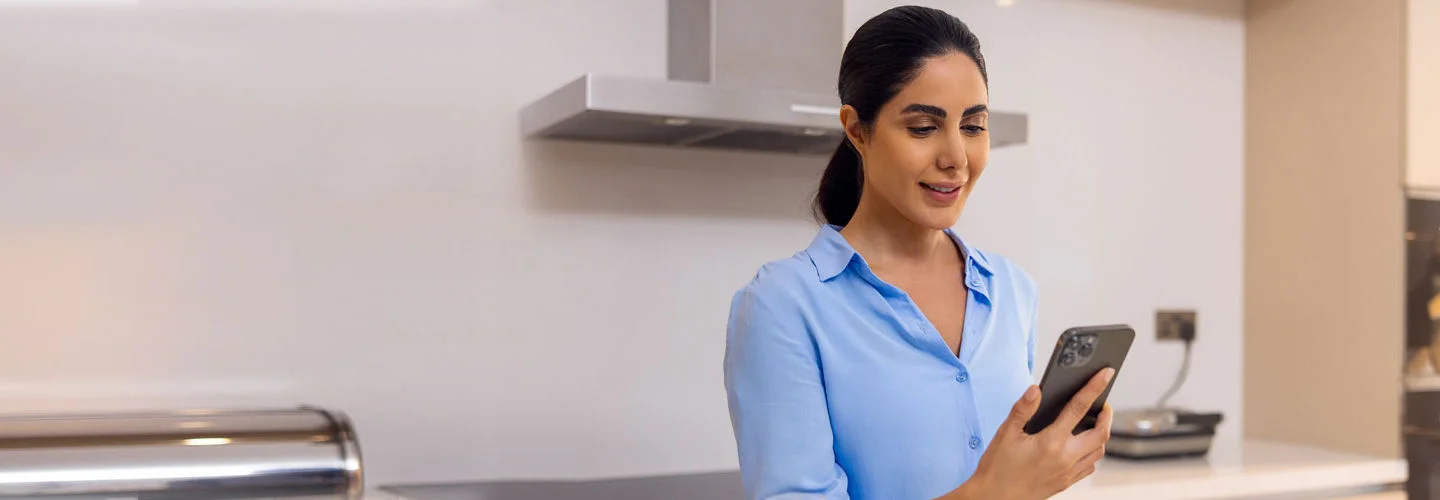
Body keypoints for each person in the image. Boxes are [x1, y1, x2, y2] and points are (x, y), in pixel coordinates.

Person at [722, 6, 1114, 500]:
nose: (955, 158)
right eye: (924, 127)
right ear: (857, 130)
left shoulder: (1013, 290)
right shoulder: (783, 306)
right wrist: (994, 493)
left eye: (973, 126)